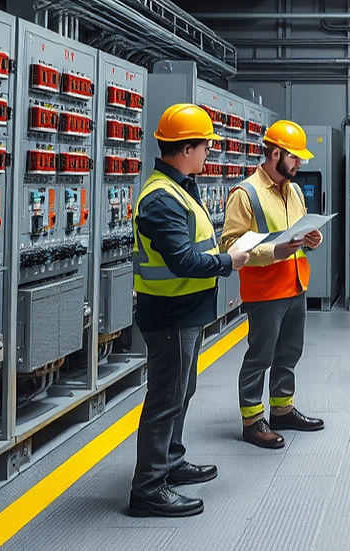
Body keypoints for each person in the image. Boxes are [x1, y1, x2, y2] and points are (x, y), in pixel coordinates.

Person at [130, 103, 249, 517]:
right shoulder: (162, 198)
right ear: (185, 148)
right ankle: (148, 488)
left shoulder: (181, 187)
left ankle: (171, 461)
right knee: (165, 398)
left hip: (186, 311)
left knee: (182, 392)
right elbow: (182, 261)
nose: (209, 154)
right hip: (170, 315)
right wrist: (228, 261)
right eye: (204, 147)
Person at [220, 120, 325, 449]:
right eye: (294, 157)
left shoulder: (293, 190)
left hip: (295, 284)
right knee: (260, 356)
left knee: (290, 352)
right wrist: (274, 251)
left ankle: (282, 409)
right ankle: (252, 421)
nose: (300, 163)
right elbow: (231, 246)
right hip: (264, 289)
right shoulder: (244, 193)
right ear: (275, 152)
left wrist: (312, 239)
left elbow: (298, 234)